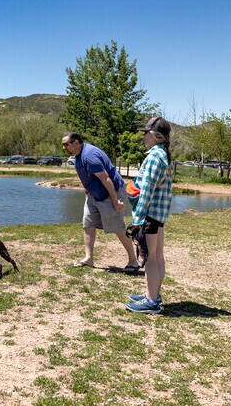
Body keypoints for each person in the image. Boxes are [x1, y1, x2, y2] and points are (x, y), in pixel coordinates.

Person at [61, 131, 139, 271]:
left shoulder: (89, 156)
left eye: (66, 144)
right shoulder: (78, 155)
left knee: (118, 227)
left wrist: (115, 201)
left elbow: (106, 179)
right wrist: (87, 191)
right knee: (88, 224)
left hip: (110, 193)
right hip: (94, 195)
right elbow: (88, 176)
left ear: (76, 142)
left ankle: (133, 261)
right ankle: (89, 258)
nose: (64, 148)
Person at [125, 117, 172, 314]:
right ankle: (152, 293)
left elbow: (146, 191)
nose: (143, 136)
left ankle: (151, 301)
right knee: (157, 256)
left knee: (150, 258)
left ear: (155, 136)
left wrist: (137, 221)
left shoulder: (153, 157)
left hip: (150, 216)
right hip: (158, 215)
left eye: (146, 132)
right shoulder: (162, 155)